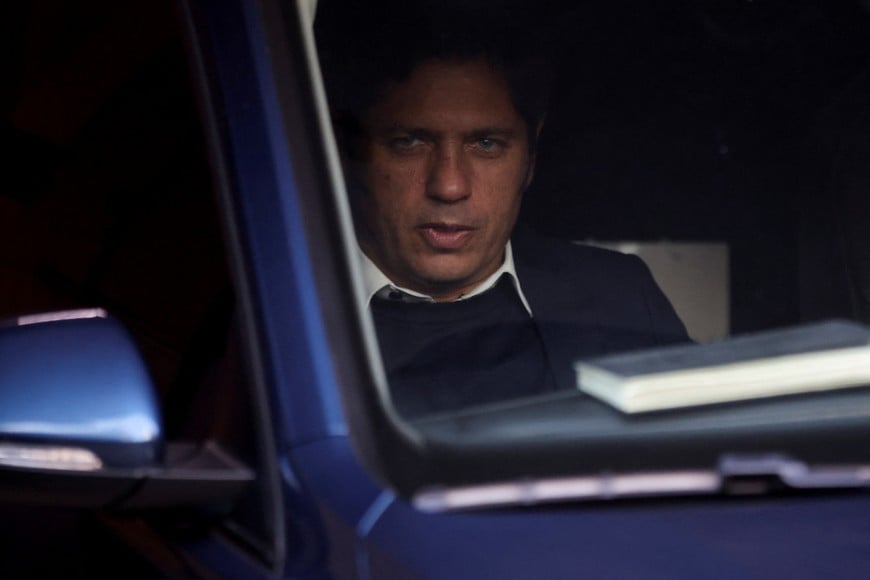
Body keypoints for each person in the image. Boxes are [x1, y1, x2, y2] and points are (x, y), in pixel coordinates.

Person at [316, 1, 689, 418]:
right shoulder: (281, 314)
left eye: (487, 144)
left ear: (530, 156)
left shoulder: (621, 298)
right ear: (346, 150)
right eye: (409, 142)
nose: (450, 186)